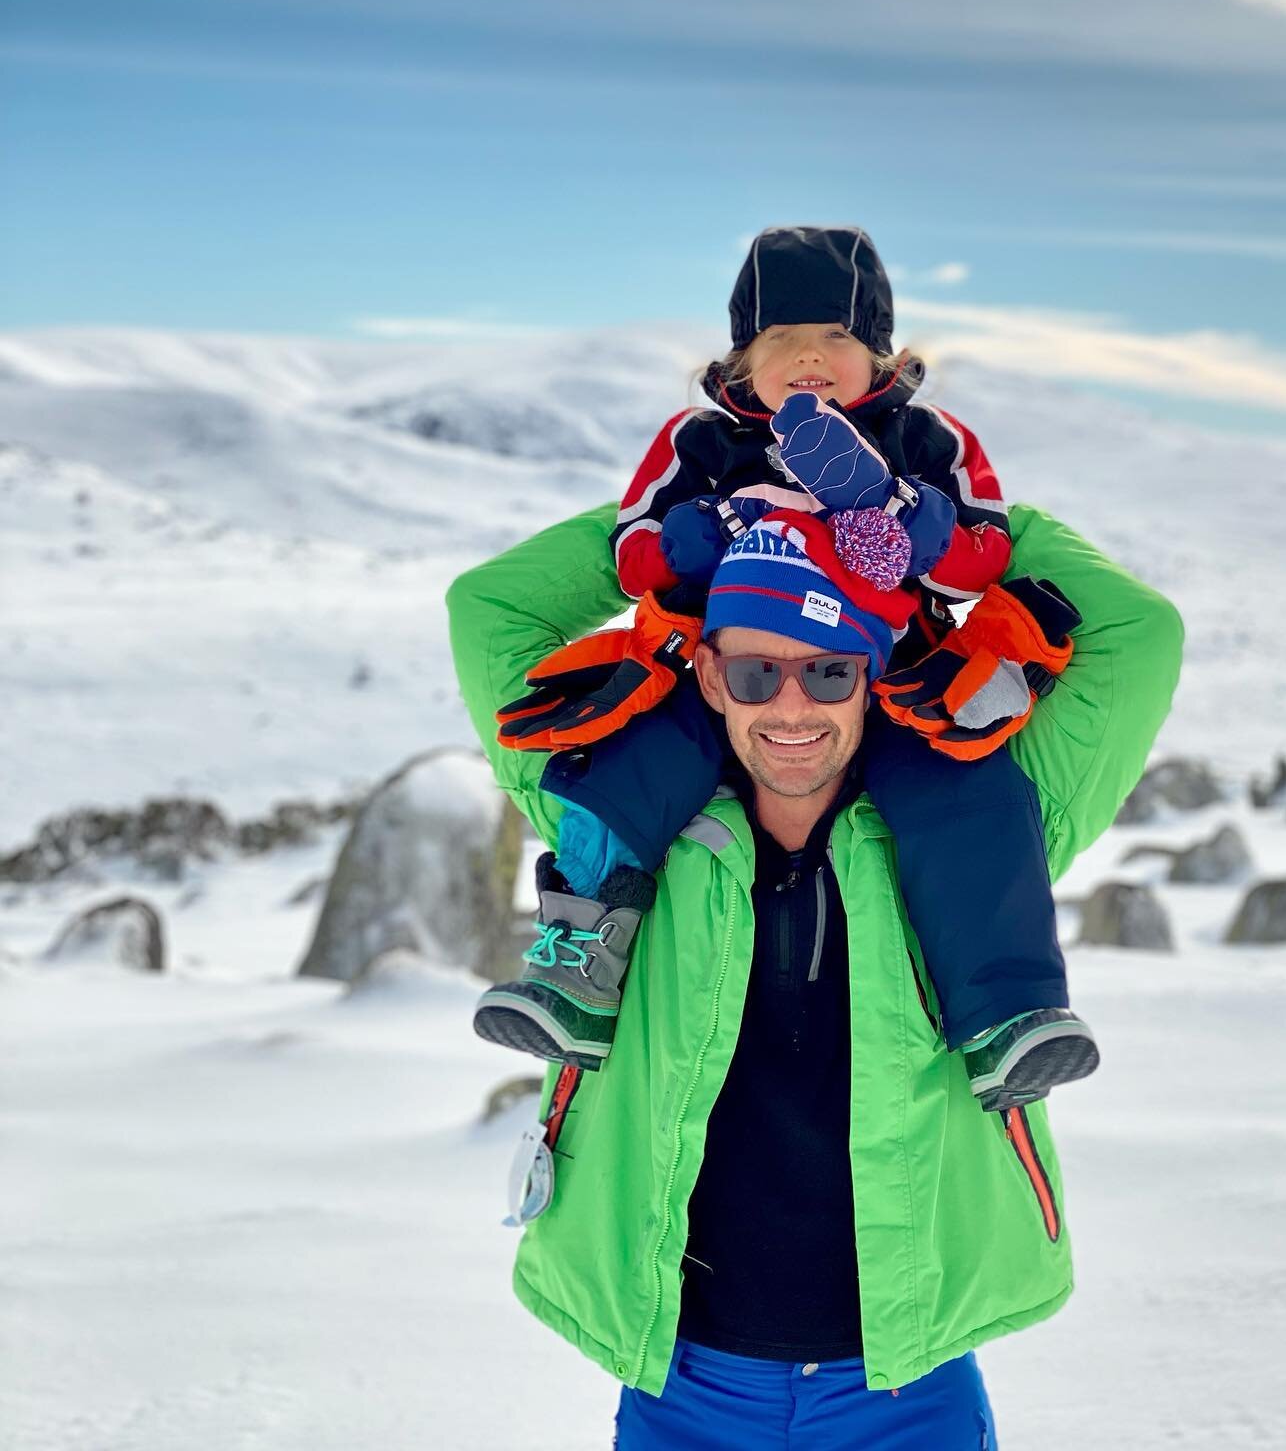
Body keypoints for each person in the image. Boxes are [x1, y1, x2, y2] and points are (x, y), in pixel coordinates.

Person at [446, 491, 1182, 1444]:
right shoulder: (624, 824)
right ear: (708, 677)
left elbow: (1140, 632)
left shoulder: (987, 828)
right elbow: (489, 610)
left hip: (907, 1389)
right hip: (683, 1386)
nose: (791, 707)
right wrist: (671, 520)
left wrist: (945, 524)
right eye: (756, 673)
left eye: (830, 671)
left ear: (874, 674)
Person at [474, 225, 1097, 1110]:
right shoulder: (703, 441)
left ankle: (1007, 1016)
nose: (810, 356)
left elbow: (979, 559)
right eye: (781, 340)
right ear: (742, 358)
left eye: (837, 337)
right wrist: (704, 530)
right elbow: (634, 555)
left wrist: (889, 505)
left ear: (879, 352)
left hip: (882, 673)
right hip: (726, 668)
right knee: (625, 767)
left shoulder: (923, 437)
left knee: (967, 793)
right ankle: (577, 966)